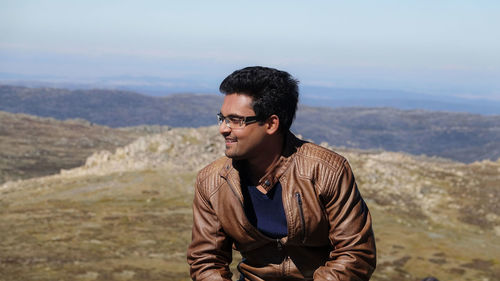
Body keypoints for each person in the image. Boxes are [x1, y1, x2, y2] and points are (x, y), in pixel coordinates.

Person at [187, 66, 376, 280]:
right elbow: (206, 261)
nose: (223, 128)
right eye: (222, 118)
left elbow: (356, 254)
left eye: (236, 120)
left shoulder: (326, 170)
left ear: (271, 123)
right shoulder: (212, 181)